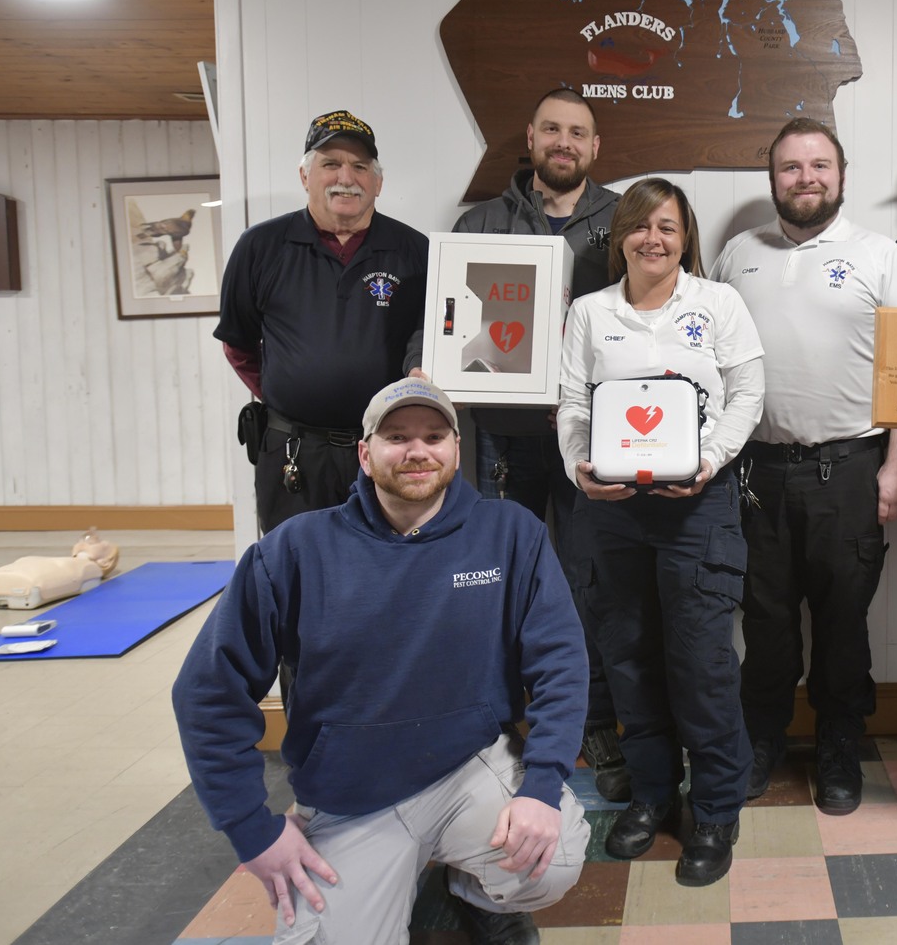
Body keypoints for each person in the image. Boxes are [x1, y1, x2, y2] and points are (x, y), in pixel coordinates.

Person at [173, 378, 589, 945]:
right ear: (366, 455)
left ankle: (477, 896)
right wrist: (253, 831)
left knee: (555, 854)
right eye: (397, 437)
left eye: (434, 436)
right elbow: (207, 692)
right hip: (351, 800)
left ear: (456, 450)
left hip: (467, 767)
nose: (417, 451)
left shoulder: (511, 533)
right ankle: (396, 875)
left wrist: (541, 788)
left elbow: (560, 662)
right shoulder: (292, 551)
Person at [409, 88, 628, 801]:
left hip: (597, 437)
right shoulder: (480, 223)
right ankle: (506, 725)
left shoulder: (625, 219)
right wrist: (426, 362)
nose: (565, 142)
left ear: (595, 148)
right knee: (503, 581)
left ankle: (593, 719)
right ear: (530, 138)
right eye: (553, 130)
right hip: (505, 435)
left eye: (579, 133)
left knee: (589, 580)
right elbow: (439, 318)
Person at [709, 119, 897, 815]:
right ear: (771, 177)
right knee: (766, 621)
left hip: (852, 469)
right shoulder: (737, 254)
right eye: (791, 167)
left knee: (841, 622)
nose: (806, 177)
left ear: (840, 175)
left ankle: (839, 742)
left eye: (819, 165)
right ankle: (762, 737)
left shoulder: (879, 256)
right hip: (756, 473)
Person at [557, 178, 764, 887]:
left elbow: (747, 392)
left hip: (697, 508)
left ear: (686, 237)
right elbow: (573, 403)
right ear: (621, 234)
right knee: (629, 657)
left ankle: (713, 808)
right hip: (610, 511)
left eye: (668, 227)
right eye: (641, 225)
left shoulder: (719, 304)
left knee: (702, 663)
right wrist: (579, 468)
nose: (654, 238)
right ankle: (651, 793)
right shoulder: (590, 312)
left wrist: (708, 460)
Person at [217, 110, 429, 534]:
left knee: (389, 570)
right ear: (305, 176)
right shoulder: (259, 246)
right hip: (293, 452)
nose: (345, 177)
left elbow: (426, 336)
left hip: (385, 449)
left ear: (378, 182)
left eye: (360, 167)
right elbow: (238, 345)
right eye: (330, 163)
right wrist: (292, 392)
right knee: (294, 574)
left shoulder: (415, 250)